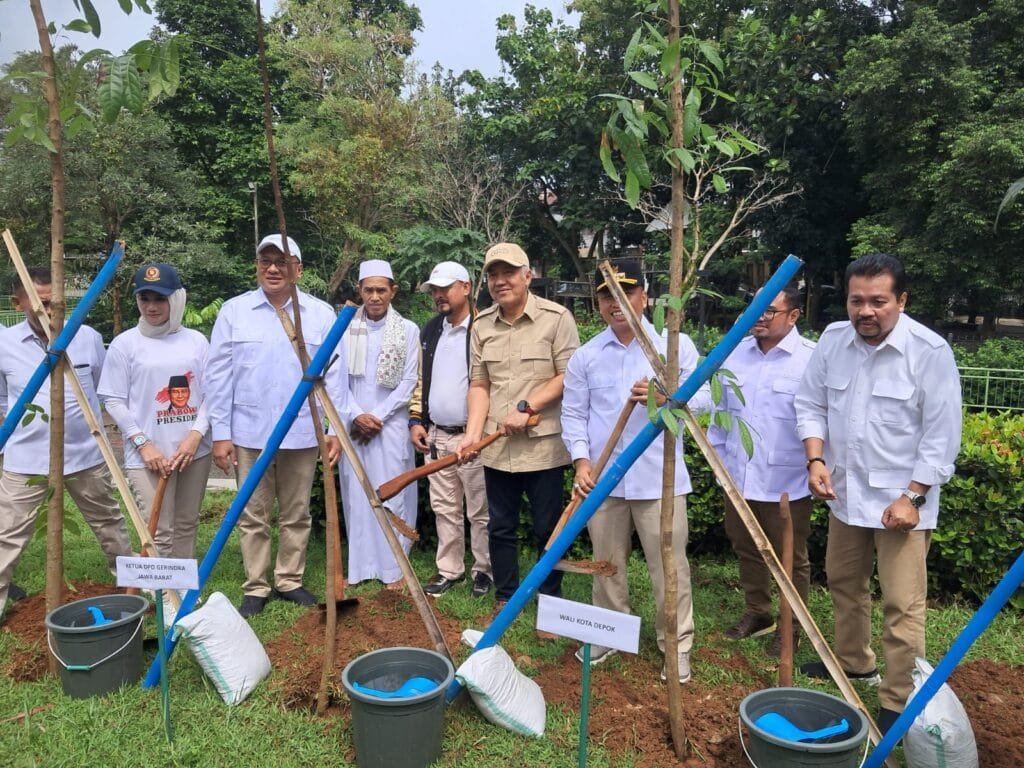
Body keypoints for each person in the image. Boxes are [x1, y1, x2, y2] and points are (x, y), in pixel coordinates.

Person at [794, 253, 962, 734]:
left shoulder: (929, 352)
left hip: (902, 504)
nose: (866, 311)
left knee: (902, 604)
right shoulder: (832, 340)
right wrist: (816, 459)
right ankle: (853, 663)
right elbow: (810, 402)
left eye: (879, 301)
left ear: (901, 301)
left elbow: (941, 435)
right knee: (844, 584)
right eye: (856, 301)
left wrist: (912, 496)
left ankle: (898, 698)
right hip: (844, 494)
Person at [561, 260, 710, 682]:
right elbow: (573, 415)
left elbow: (705, 405)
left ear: (645, 296)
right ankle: (609, 634)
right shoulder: (587, 355)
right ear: (598, 301)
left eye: (626, 292)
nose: (617, 303)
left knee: (669, 567)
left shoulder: (673, 349)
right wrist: (581, 460)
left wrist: (668, 399)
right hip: (604, 480)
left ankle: (676, 647)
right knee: (606, 564)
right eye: (607, 295)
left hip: (658, 479)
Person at [206, 234, 344, 618]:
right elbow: (217, 376)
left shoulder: (320, 315)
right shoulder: (235, 311)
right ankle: (256, 585)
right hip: (250, 431)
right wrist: (221, 434)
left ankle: (289, 579)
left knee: (297, 511)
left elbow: (337, 376)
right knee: (252, 512)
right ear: (256, 266)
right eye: (265, 261)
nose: (272, 268)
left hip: (303, 430)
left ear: (297, 269)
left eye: (281, 262)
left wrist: (334, 429)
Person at [0, 268, 133, 620]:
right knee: (8, 534)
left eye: (54, 303)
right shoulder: (5, 344)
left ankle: (132, 588)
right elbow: (1, 399)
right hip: (25, 459)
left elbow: (105, 388)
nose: (48, 311)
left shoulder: (87, 337)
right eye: (39, 303)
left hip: (87, 455)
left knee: (109, 522)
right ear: (18, 303)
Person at [456, 243, 580, 616]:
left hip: (542, 447)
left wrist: (529, 407)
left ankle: (549, 598)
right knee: (500, 526)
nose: (499, 281)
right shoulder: (481, 325)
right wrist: (472, 434)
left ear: (528, 276)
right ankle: (505, 595)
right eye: (493, 274)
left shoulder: (557, 318)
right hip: (497, 448)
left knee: (548, 528)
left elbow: (568, 375)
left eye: (508, 273)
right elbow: (479, 384)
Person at [709, 282, 816, 655]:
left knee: (791, 558)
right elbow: (721, 415)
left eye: (768, 311)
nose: (759, 318)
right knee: (746, 547)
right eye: (755, 310)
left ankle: (791, 627)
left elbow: (821, 422)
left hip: (787, 481)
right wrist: (720, 465)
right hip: (738, 476)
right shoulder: (736, 354)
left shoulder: (810, 360)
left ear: (794, 315)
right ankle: (759, 611)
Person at [98, 263, 212, 565]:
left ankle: (184, 592)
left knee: (186, 524)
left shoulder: (196, 342)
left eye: (160, 299)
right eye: (144, 298)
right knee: (158, 529)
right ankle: (162, 594)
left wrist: (195, 436)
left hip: (193, 452)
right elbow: (112, 397)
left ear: (175, 299)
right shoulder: (125, 344)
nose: (151, 307)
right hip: (148, 455)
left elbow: (213, 394)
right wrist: (142, 443)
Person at [408, 261, 491, 599]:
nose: (439, 295)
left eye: (446, 288)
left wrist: (483, 432)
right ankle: (449, 570)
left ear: (467, 287)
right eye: (435, 290)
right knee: (444, 507)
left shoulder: (484, 328)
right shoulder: (431, 330)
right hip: (438, 434)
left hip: (475, 435)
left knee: (480, 510)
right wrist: (416, 419)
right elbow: (420, 380)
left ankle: (484, 571)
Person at [340, 259, 420, 587]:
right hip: (352, 423)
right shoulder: (344, 328)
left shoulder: (409, 329)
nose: (374, 296)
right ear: (359, 291)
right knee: (356, 492)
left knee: (393, 491)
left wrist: (378, 417)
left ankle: (394, 568)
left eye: (381, 290)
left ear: (393, 292)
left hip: (390, 426)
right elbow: (335, 379)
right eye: (368, 290)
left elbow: (409, 381)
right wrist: (356, 414)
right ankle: (360, 567)